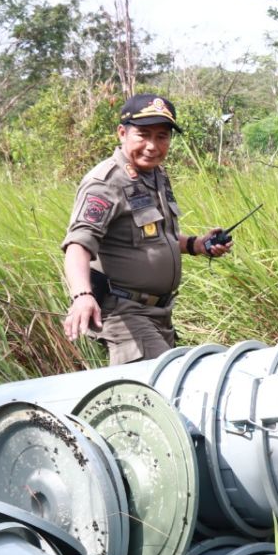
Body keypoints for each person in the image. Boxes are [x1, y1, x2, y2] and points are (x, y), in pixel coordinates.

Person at [61, 94, 231, 365]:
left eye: (162, 137)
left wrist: (196, 244)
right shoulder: (105, 182)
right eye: (143, 135)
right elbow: (77, 246)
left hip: (160, 314)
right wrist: (82, 295)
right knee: (164, 390)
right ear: (122, 133)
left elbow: (155, 237)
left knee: (162, 393)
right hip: (125, 316)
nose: (152, 146)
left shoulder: (156, 176)